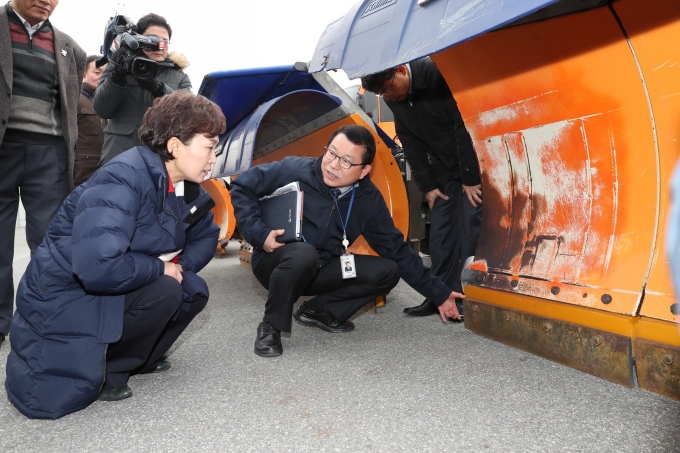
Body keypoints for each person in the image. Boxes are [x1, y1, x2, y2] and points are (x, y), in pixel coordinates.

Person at [5, 90, 225, 419]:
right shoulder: (124, 177)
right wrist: (158, 268)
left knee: (190, 288)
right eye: (209, 147)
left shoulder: (178, 183)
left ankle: (135, 359)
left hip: (101, 285)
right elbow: (97, 266)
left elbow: (208, 232)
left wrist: (178, 267)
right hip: (67, 297)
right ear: (176, 146)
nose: (213, 159)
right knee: (166, 288)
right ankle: (106, 370)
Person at [231, 125, 464, 358]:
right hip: (276, 261)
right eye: (331, 153)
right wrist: (260, 234)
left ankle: (319, 310)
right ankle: (270, 326)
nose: (333, 165)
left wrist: (440, 293)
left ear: (363, 171)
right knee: (303, 254)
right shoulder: (295, 169)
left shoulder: (368, 199)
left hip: (323, 266)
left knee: (387, 271)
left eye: (346, 162)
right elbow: (243, 186)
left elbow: (396, 250)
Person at [361, 57, 483, 319]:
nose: (387, 97)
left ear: (401, 70)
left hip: (471, 163)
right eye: (381, 94)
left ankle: (470, 298)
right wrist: (428, 186)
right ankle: (439, 295)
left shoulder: (438, 74)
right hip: (442, 172)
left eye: (388, 89)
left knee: (469, 228)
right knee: (440, 235)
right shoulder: (395, 98)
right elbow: (410, 143)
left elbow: (462, 127)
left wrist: (470, 177)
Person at [0, 0, 86, 350]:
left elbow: (69, 105)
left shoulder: (70, 48)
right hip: (4, 144)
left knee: (50, 242)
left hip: (49, 151)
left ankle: (46, 316)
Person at [94, 13, 191, 165]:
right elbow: (102, 110)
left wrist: (159, 88)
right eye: (152, 40)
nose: (159, 46)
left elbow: (188, 116)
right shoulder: (117, 66)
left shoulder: (180, 77)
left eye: (165, 42)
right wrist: (118, 76)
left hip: (160, 160)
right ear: (138, 39)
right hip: (118, 156)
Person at [74, 54, 106, 186]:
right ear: (83, 75)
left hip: (103, 173)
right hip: (80, 176)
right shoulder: (75, 99)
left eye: (106, 73)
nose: (102, 77)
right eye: (97, 72)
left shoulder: (109, 103)